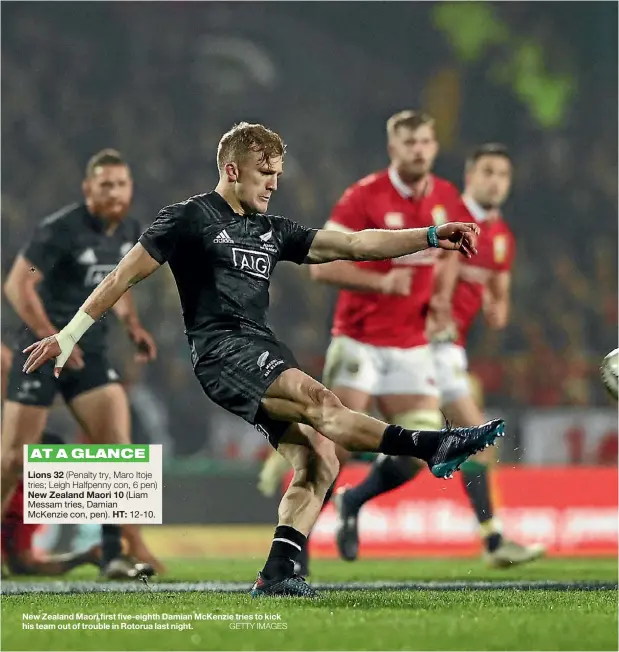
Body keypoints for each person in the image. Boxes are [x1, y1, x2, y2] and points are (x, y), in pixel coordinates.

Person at [22, 122, 505, 598]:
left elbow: (355, 244)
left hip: (263, 347)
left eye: (277, 172)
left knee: (319, 459)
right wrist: (67, 335)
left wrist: (431, 233)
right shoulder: (190, 218)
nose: (274, 183)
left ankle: (278, 571)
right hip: (221, 350)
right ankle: (432, 446)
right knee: (320, 400)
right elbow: (122, 276)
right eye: (264, 172)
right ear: (232, 170)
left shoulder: (273, 230)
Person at [259, 109, 466, 574]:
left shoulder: (447, 197)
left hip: (411, 344)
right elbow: (320, 266)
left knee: (418, 452)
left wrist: (442, 300)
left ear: (434, 146)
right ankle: (297, 554)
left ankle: (354, 503)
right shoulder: (364, 196)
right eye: (409, 142)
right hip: (360, 340)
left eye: (426, 141)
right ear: (393, 148)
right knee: (334, 445)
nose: (418, 149)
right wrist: (381, 285)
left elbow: (452, 254)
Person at [334, 143, 545, 568]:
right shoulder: (443, 215)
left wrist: (497, 309)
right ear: (470, 176)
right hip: (417, 342)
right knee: (475, 438)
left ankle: (353, 499)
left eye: (503, 175)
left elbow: (498, 296)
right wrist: (437, 307)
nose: (496, 182)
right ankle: (494, 540)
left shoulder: (502, 239)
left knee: (417, 454)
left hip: (449, 348)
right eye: (487, 172)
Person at [2, 149, 158, 580]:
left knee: (117, 449)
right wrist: (53, 334)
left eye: (121, 184)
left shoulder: (128, 230)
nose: (114, 192)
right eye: (105, 184)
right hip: (41, 349)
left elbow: (117, 282)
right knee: (14, 460)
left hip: (89, 353)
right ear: (87, 189)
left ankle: (113, 555)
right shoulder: (58, 231)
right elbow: (17, 286)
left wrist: (132, 323)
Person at [1, 431, 164, 577]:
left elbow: (22, 564)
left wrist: (84, 557)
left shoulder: (25, 499)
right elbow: (23, 564)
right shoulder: (24, 499)